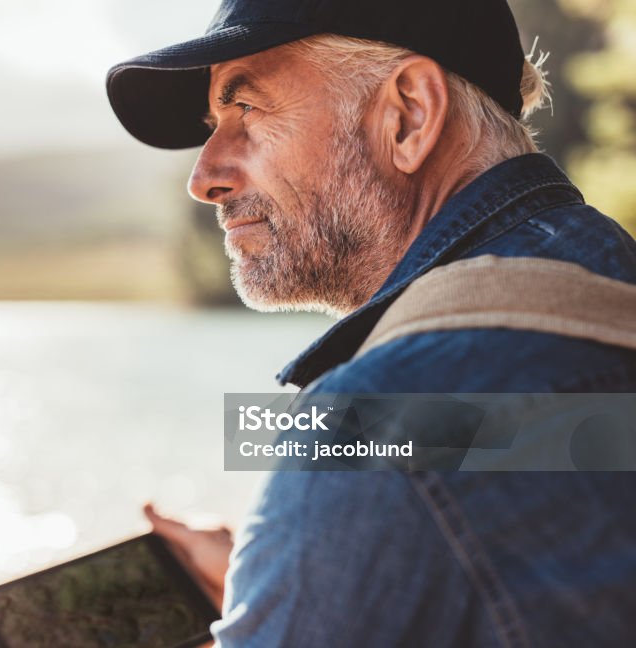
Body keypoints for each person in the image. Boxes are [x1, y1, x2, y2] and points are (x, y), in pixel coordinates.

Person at [107, 0, 636, 646]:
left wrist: (322, 526)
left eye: (246, 110)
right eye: (213, 122)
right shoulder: (610, 276)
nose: (203, 176)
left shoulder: (371, 437)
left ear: (409, 114)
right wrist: (304, 573)